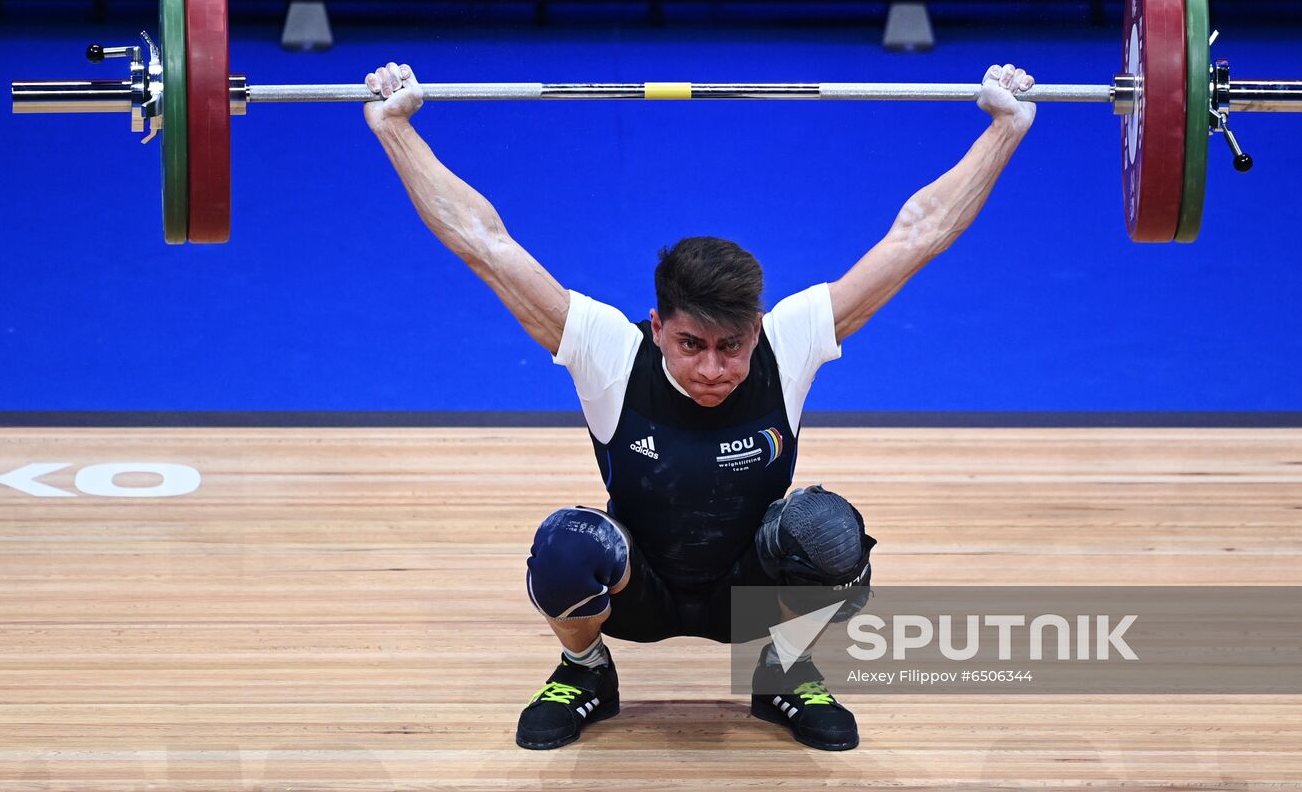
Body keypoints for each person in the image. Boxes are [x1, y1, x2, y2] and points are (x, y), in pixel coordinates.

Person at [365, 60, 1037, 752]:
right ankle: (585, 668)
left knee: (829, 529)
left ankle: (783, 668)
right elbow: (485, 245)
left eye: (731, 346)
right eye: (691, 344)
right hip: (635, 590)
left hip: (752, 592)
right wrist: (396, 131)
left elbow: (915, 237)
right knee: (567, 544)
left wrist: (1004, 131)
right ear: (657, 327)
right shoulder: (611, 350)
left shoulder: (789, 340)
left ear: (758, 328)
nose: (713, 369)